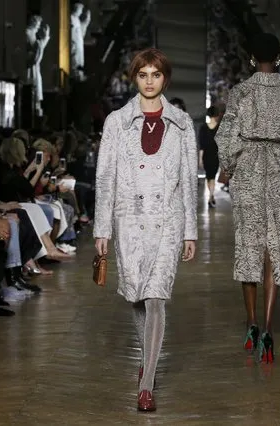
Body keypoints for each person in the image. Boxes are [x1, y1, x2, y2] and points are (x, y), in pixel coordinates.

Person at [93, 47, 198, 412]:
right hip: (129, 218)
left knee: (156, 297)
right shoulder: (116, 122)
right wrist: (102, 228)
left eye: (156, 74)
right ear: (134, 78)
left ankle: (147, 384)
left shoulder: (183, 124)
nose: (150, 81)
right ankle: (146, 360)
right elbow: (105, 178)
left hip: (168, 219)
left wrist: (190, 231)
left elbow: (188, 181)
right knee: (137, 296)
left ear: (165, 78)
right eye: (143, 74)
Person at [215, 33, 280, 363]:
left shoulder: (241, 91)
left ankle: (251, 322)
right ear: (279, 59)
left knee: (249, 245)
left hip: (250, 170)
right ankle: (269, 326)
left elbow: (226, 137)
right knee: (273, 249)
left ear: (252, 58)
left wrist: (229, 164)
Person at [199, 106, 221, 208]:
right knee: (212, 177)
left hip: (206, 156)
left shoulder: (203, 127)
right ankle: (211, 196)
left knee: (209, 177)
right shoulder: (219, 128)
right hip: (216, 155)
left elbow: (201, 146)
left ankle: (211, 196)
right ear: (217, 115)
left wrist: (200, 159)